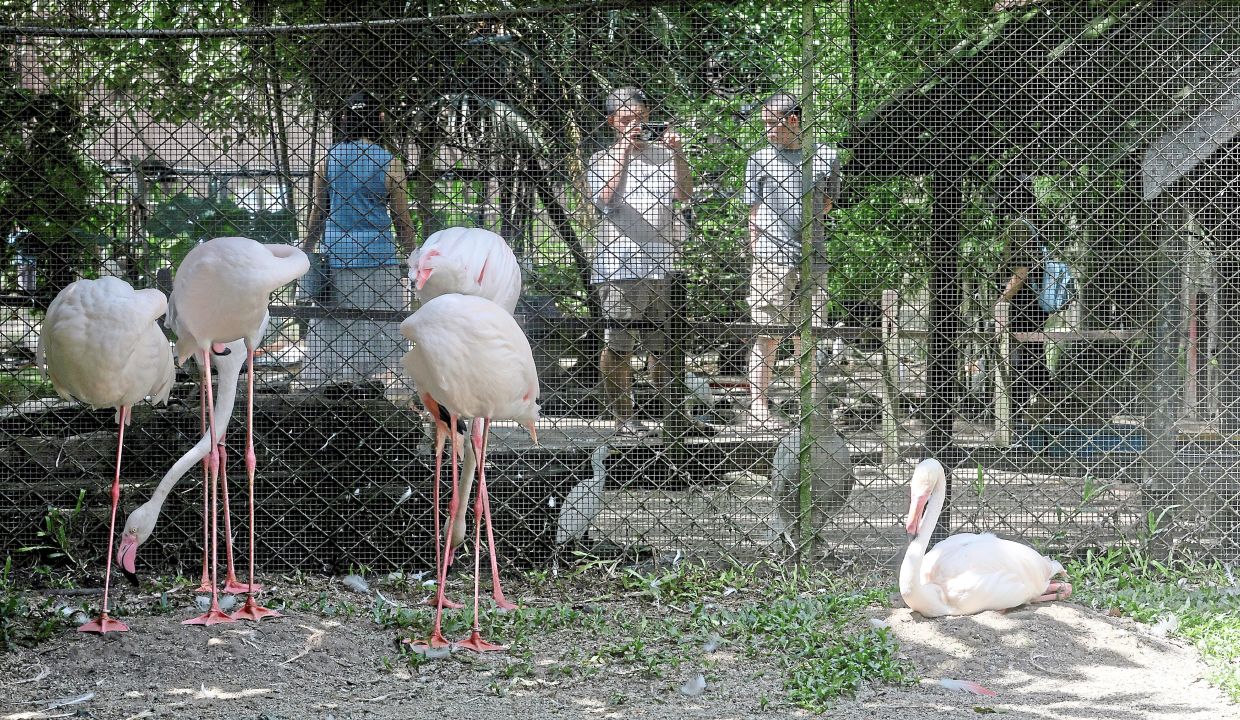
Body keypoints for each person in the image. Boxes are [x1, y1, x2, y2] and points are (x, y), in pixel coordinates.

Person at [587, 87, 692, 436]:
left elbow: (684, 195)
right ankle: (624, 420)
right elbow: (608, 198)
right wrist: (625, 152)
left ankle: (673, 418)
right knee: (619, 345)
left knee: (664, 347)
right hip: (620, 267)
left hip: (663, 265)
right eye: (627, 118)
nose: (636, 123)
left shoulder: (663, 156)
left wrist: (678, 154)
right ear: (612, 121)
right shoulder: (601, 160)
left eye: (641, 116)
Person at [301, 92, 417, 393]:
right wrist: (412, 254)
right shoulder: (390, 163)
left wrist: (307, 248)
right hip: (379, 257)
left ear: (344, 121)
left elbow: (319, 210)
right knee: (379, 325)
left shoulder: (328, 161)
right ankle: (373, 387)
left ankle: (341, 385)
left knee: (337, 327)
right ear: (379, 121)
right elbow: (401, 218)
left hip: (336, 256)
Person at [744, 92, 842, 428]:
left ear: (794, 120)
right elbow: (753, 212)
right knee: (767, 331)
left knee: (810, 332)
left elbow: (827, 203)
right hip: (770, 256)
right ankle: (759, 405)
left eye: (771, 124)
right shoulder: (758, 159)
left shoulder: (827, 156)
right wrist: (757, 251)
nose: (767, 131)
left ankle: (809, 406)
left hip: (812, 255)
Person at [996, 175, 1050, 426]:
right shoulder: (1034, 224)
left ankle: (1016, 420)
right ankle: (1031, 416)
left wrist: (1002, 299)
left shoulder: (1019, 226)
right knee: (1033, 359)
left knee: (1018, 361)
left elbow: (1022, 270)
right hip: (1033, 306)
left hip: (1022, 306)